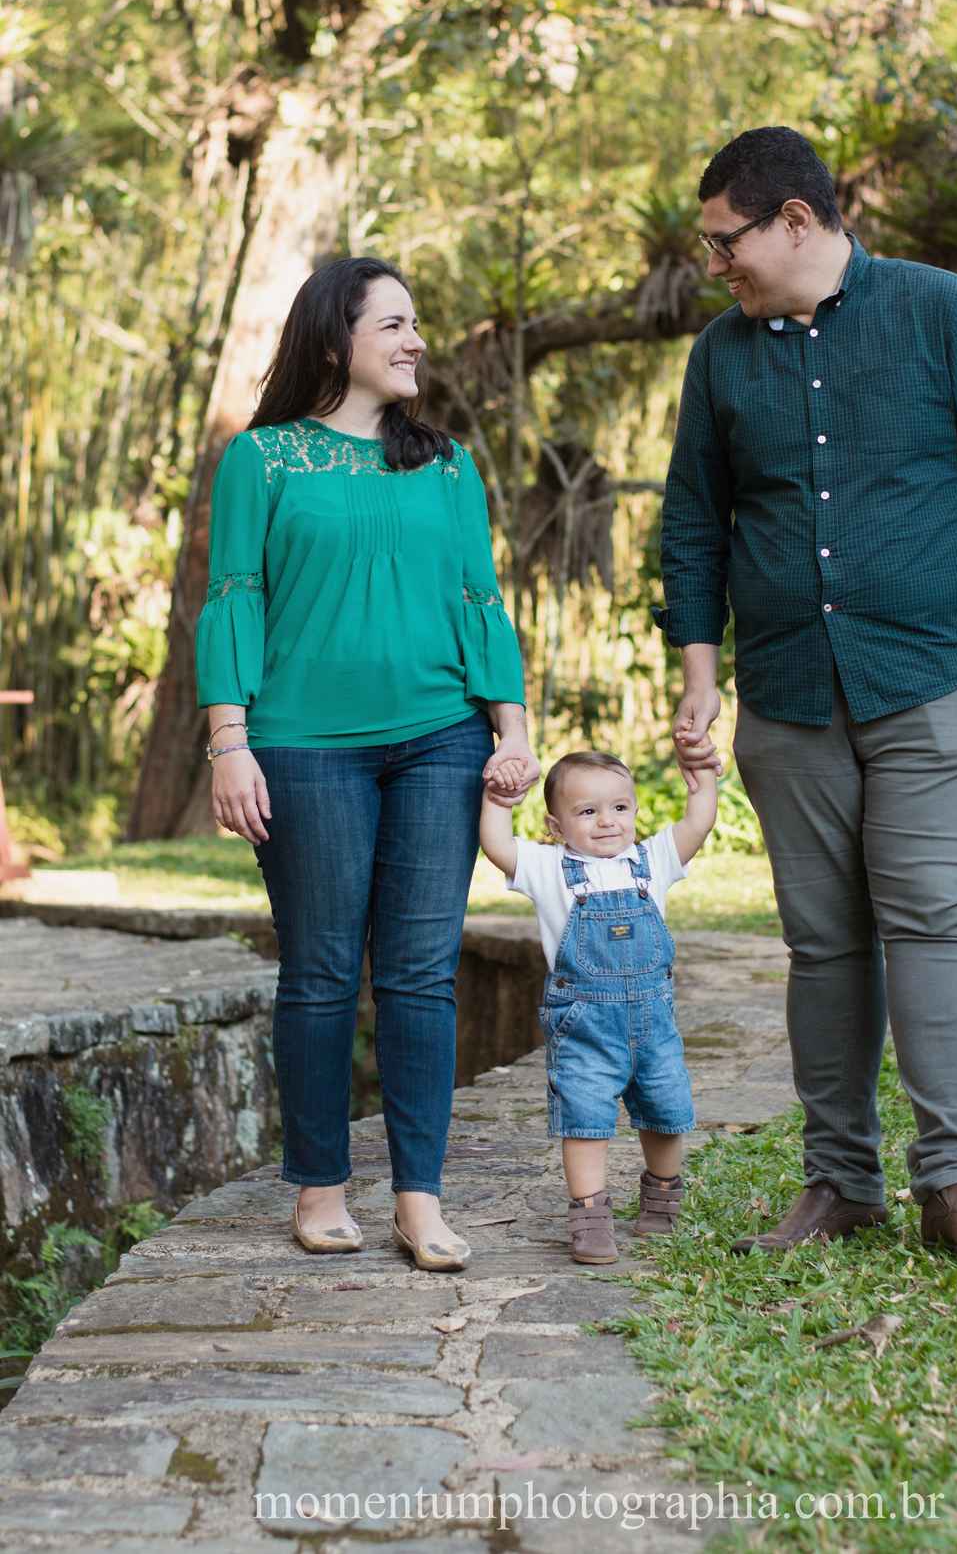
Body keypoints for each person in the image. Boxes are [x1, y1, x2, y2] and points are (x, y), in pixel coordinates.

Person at [659, 126, 957, 1258]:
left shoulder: (939, 311)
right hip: (789, 695)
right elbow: (695, 531)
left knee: (935, 918)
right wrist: (701, 682)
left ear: (796, 220)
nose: (717, 264)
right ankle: (839, 1183)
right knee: (824, 943)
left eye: (726, 240)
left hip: (934, 679)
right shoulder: (722, 356)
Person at [195, 255, 539, 1272]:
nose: (415, 339)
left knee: (424, 977)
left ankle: (421, 1200)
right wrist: (230, 742)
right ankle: (321, 1186)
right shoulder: (264, 460)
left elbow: (480, 598)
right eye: (393, 323)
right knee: (322, 974)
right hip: (303, 749)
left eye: (417, 322)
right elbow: (234, 599)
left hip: (442, 738)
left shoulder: (447, 465)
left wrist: (512, 728)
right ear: (335, 340)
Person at [478, 750, 718, 1263]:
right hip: (585, 1025)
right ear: (556, 825)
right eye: (587, 812)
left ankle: (662, 1192)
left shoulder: (652, 861)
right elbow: (496, 843)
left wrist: (702, 776)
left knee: (666, 1111)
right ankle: (590, 1216)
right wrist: (499, 799)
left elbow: (699, 822)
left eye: (620, 808)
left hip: (654, 1024)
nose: (607, 821)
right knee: (584, 1118)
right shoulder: (548, 868)